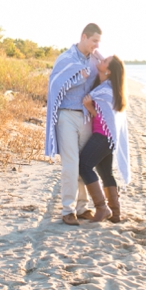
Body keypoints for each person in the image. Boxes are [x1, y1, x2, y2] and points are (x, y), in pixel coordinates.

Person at [45, 23, 103, 225]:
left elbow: (106, 74)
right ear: (84, 36)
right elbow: (55, 84)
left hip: (86, 118)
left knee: (84, 163)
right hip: (67, 116)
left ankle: (82, 207)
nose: (96, 45)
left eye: (98, 42)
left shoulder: (96, 59)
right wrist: (79, 77)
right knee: (70, 164)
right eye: (94, 41)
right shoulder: (66, 59)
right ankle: (68, 210)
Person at [78, 55, 130, 223]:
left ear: (108, 70)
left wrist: (89, 107)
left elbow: (104, 118)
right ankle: (115, 213)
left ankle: (102, 207)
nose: (100, 60)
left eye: (105, 61)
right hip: (108, 138)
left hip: (103, 136)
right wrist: (99, 57)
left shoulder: (106, 90)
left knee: (83, 165)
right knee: (105, 173)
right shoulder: (106, 87)